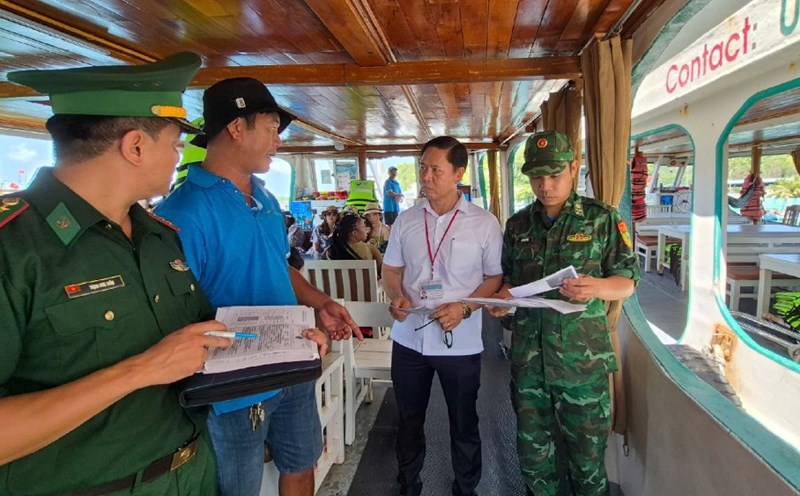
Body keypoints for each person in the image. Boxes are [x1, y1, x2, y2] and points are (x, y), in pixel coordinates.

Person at [0, 52, 233, 495]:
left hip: (192, 473)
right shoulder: (13, 250)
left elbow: (197, 340)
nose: (177, 156)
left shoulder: (159, 237)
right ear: (136, 146)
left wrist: (288, 344)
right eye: (174, 144)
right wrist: (140, 370)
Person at [155, 77, 360, 496]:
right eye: (271, 129)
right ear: (236, 128)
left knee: (302, 466)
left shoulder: (266, 199)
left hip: (293, 365)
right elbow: (173, 314)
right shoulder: (183, 212)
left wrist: (322, 302)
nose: (277, 143)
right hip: (232, 388)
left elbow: (278, 266)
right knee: (237, 489)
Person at [488, 131, 640, 496]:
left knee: (587, 464)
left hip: (580, 367)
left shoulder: (601, 219)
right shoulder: (517, 225)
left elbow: (628, 281)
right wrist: (501, 298)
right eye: (537, 176)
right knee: (534, 461)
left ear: (574, 168)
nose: (545, 185)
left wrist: (598, 288)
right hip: (529, 364)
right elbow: (508, 279)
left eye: (555, 175)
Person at [383, 136, 503, 496]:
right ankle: (408, 485)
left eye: (436, 169)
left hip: (461, 339)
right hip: (409, 337)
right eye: (423, 168)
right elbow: (392, 270)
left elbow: (494, 277)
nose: (426, 177)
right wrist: (397, 296)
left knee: (464, 421)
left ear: (458, 174)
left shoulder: (483, 223)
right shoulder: (405, 221)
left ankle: (466, 489)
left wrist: (465, 306)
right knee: (408, 420)